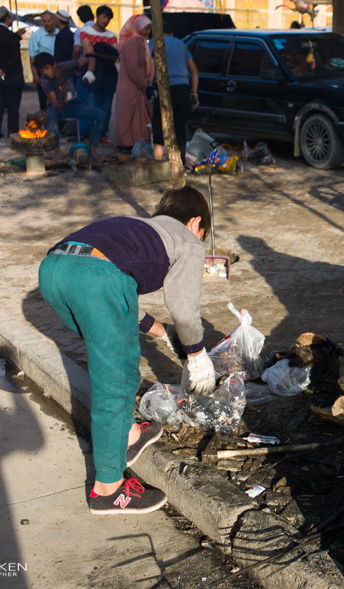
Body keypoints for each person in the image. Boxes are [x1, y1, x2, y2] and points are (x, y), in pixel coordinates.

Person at [38, 186, 217, 515]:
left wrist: (162, 332)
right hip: (95, 279)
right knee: (116, 378)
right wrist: (197, 354)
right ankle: (108, 489)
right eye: (203, 233)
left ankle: (130, 433)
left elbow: (116, 287)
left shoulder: (136, 227)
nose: (200, 240)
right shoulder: (188, 241)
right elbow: (182, 307)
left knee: (112, 360)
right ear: (196, 223)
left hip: (53, 271)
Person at [34, 52, 108, 150]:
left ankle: (92, 147)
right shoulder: (45, 81)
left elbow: (91, 59)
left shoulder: (65, 67)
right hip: (56, 109)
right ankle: (57, 151)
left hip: (73, 105)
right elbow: (55, 104)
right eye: (42, 70)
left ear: (54, 64)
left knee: (102, 115)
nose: (45, 73)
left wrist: (89, 72)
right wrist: (66, 99)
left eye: (47, 68)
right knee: (51, 122)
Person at [150, 27, 199, 158]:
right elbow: (194, 71)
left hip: (165, 88)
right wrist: (194, 94)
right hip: (183, 89)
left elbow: (149, 65)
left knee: (159, 125)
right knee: (179, 128)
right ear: (171, 33)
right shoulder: (181, 44)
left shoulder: (154, 42)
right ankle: (180, 164)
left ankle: (158, 161)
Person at [76, 6, 118, 142]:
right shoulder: (85, 31)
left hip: (108, 74)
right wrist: (106, 51)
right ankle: (87, 135)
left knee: (106, 105)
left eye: (108, 18)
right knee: (90, 104)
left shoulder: (111, 35)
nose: (105, 21)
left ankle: (102, 134)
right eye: (103, 17)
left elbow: (115, 55)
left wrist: (97, 49)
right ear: (97, 16)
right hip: (92, 71)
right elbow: (88, 50)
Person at [0, 6, 27, 139]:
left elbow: (2, 46)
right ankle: (12, 130)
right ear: (7, 18)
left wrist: (16, 36)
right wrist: (5, 71)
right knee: (13, 105)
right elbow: (14, 57)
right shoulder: (11, 37)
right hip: (12, 76)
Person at [115, 14, 153, 151]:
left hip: (137, 86)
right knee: (129, 116)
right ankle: (127, 143)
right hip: (131, 86)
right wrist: (142, 82)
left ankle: (137, 142)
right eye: (145, 28)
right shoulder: (133, 42)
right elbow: (133, 66)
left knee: (138, 116)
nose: (147, 32)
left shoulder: (140, 41)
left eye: (149, 29)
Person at [28, 10, 58, 110]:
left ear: (53, 20)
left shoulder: (59, 33)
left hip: (58, 70)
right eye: (44, 21)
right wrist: (35, 74)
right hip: (43, 72)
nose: (47, 23)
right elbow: (32, 57)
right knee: (44, 100)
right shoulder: (36, 36)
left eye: (49, 21)